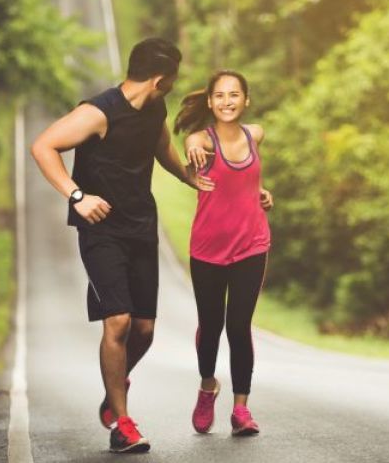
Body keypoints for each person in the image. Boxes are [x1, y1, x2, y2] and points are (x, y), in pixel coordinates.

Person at [31, 38, 214, 454]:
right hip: (102, 232)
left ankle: (115, 388)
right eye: (172, 79)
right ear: (159, 78)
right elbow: (43, 146)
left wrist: (186, 176)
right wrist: (77, 196)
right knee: (119, 322)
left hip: (141, 226)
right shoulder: (97, 112)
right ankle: (122, 423)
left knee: (145, 331)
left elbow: (161, 145)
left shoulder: (153, 108)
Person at [173, 70, 273, 436]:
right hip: (208, 248)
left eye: (234, 95)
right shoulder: (202, 139)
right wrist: (191, 150)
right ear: (210, 102)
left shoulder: (255, 134)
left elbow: (249, 178)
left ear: (246, 100)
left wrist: (261, 192)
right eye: (219, 96)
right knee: (211, 326)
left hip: (252, 244)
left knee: (238, 325)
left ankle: (241, 409)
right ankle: (206, 386)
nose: (227, 101)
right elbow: (191, 144)